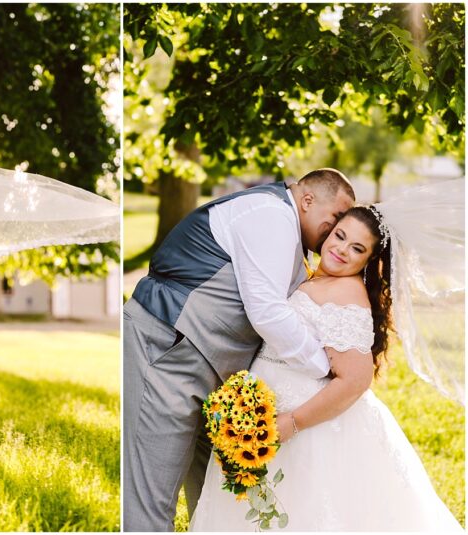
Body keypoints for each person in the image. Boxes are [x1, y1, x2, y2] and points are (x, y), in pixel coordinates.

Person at [189, 205, 462, 531]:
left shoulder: (346, 292)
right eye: (340, 236)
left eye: (357, 248)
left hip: (307, 427)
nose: (342, 249)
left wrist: (291, 423)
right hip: (264, 414)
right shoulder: (315, 279)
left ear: (368, 260)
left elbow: (355, 381)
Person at [123, 169, 355, 531]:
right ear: (308, 199)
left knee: (216, 502)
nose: (339, 229)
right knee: (150, 496)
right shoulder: (270, 214)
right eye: (337, 217)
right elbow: (267, 311)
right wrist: (324, 366)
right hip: (167, 346)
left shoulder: (291, 236)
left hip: (215, 376)